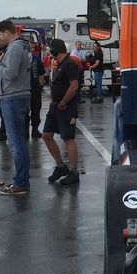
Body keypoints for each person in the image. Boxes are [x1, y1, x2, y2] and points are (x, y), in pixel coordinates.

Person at [0, 20, 33, 196]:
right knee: (19, 141)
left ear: (8, 32)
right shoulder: (19, 47)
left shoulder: (15, 48)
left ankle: (21, 182)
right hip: (16, 96)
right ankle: (21, 180)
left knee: (16, 142)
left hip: (13, 98)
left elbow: (10, 74)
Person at [43, 38, 82, 186]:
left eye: (50, 50)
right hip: (55, 107)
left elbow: (74, 86)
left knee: (68, 138)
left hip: (66, 108)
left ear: (55, 50)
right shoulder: (60, 64)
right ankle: (60, 166)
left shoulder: (69, 64)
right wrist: (54, 100)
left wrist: (63, 102)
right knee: (46, 135)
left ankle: (73, 172)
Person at [25, 44, 46, 139]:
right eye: (30, 48)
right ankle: (25, 131)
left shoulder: (37, 60)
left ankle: (35, 130)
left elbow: (41, 74)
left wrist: (40, 86)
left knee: (36, 110)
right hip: (24, 89)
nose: (32, 50)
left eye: (33, 48)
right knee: (24, 111)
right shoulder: (22, 59)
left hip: (35, 89)